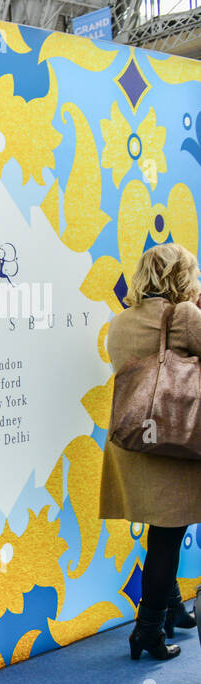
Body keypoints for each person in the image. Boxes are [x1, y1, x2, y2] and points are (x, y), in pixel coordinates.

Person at [100, 242, 201, 662]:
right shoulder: (182, 316)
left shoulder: (119, 323)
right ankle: (148, 631)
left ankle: (173, 607)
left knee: (161, 532)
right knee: (167, 538)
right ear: (180, 275)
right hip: (174, 446)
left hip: (133, 443)